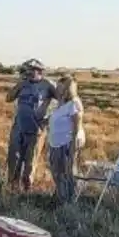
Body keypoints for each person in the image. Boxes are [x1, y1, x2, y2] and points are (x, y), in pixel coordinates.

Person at [6, 58, 58, 191]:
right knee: (14, 157)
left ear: (39, 71)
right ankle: (12, 186)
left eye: (30, 70)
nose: (27, 73)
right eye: (26, 70)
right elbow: (8, 98)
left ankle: (27, 189)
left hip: (36, 129)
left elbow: (64, 100)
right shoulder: (23, 83)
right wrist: (19, 85)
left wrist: (50, 118)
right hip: (19, 126)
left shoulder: (48, 85)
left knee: (30, 161)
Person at [47, 74, 85, 203]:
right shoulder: (60, 104)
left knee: (68, 171)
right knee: (56, 172)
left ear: (68, 89)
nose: (57, 89)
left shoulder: (73, 103)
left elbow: (77, 127)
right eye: (57, 87)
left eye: (61, 87)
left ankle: (70, 200)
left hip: (66, 143)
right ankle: (61, 196)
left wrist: (73, 148)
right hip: (55, 143)